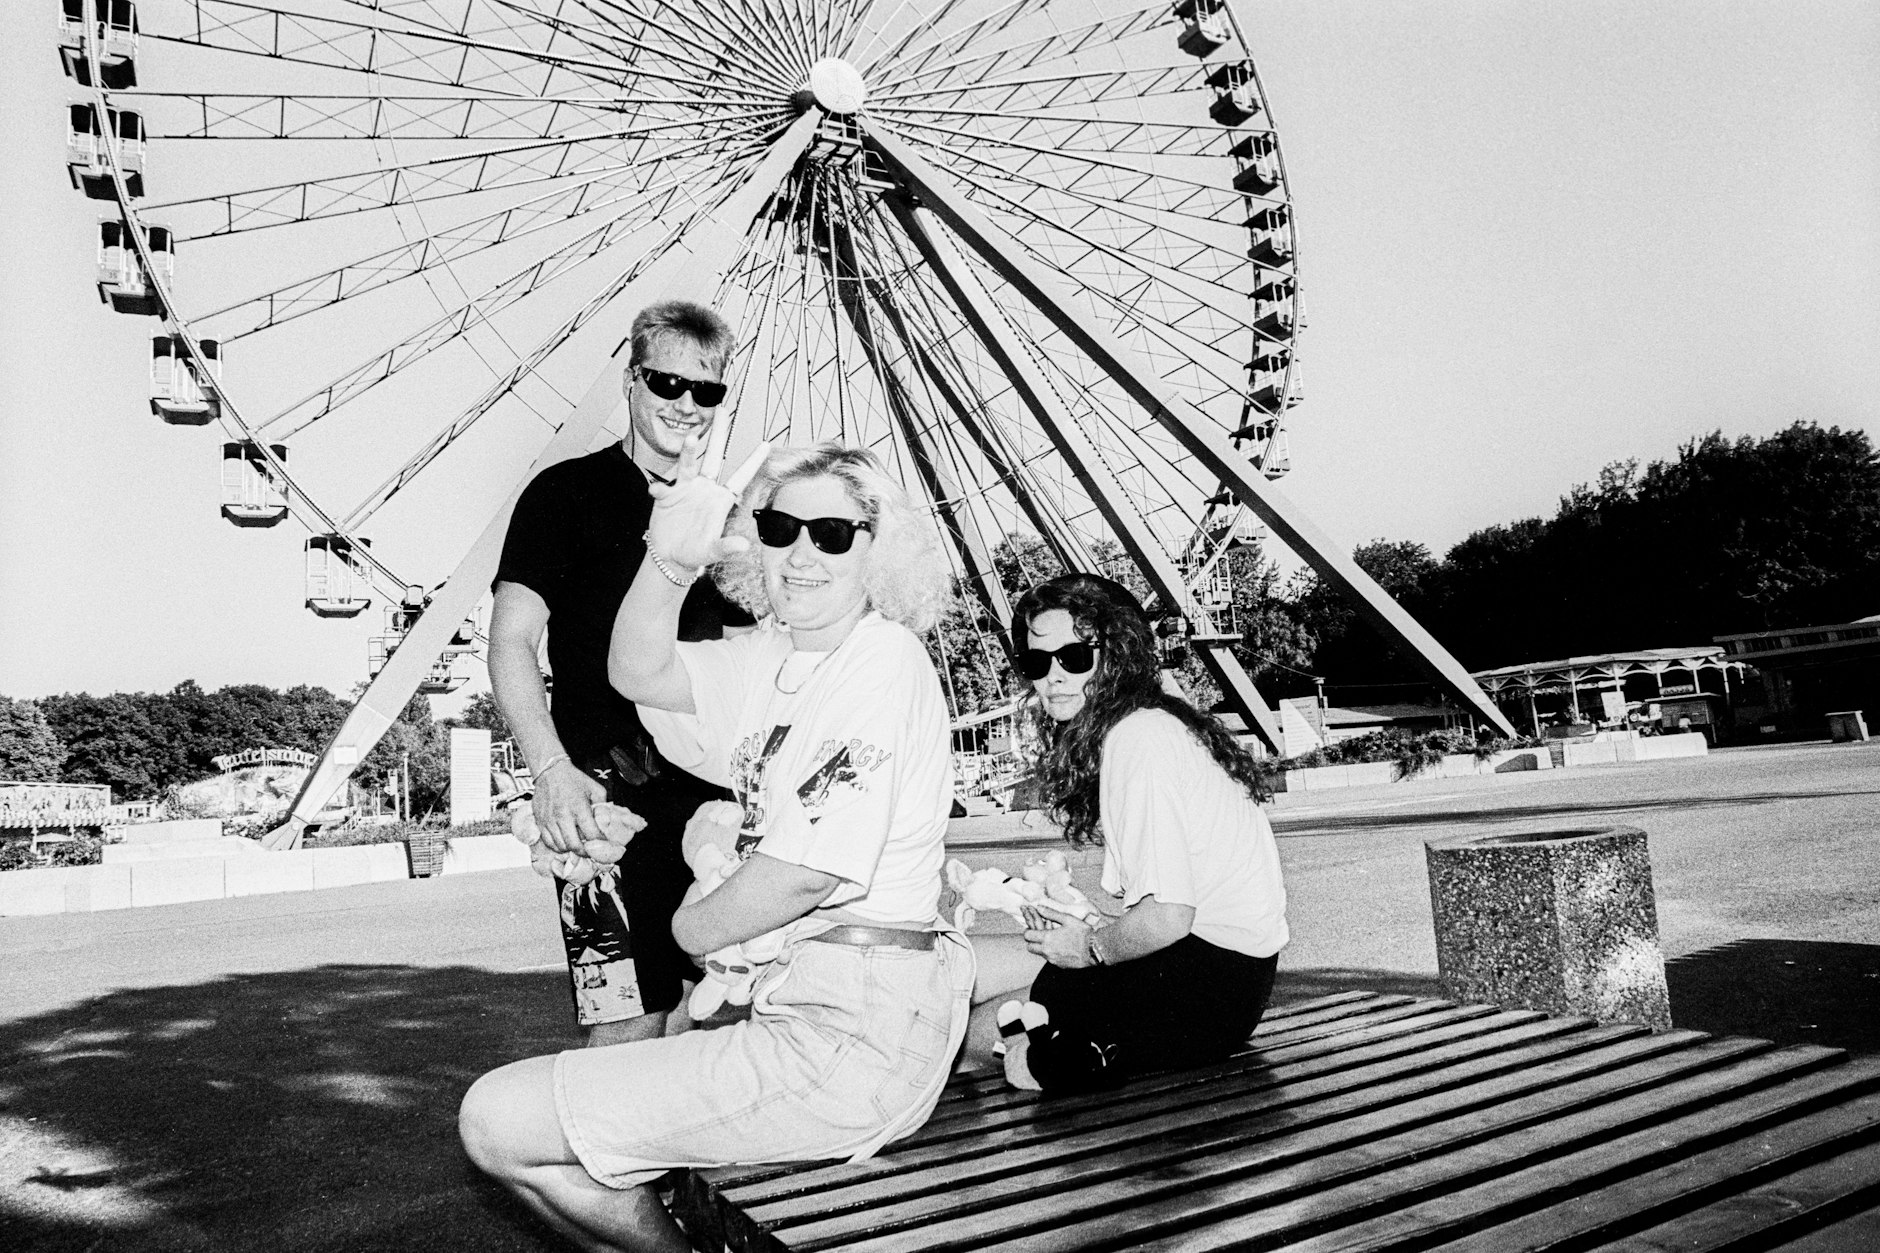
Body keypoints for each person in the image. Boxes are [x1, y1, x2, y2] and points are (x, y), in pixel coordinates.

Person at [459, 439, 972, 1253]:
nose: (800, 553)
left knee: (498, 1118)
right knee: (530, 1125)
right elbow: (637, 669)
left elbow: (802, 875)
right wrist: (667, 562)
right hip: (801, 1007)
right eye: (778, 527)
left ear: (878, 548)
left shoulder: (882, 661)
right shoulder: (777, 657)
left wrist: (689, 927)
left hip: (851, 1033)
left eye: (832, 534)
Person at [489, 300, 754, 1045]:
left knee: (716, 1008)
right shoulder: (562, 493)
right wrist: (549, 769)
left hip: (716, 800)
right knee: (622, 1018)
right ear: (631, 379)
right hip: (601, 802)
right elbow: (511, 642)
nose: (685, 404)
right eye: (668, 383)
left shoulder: (731, 517)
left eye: (707, 391)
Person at [963, 573, 1288, 1094]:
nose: (1053, 676)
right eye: (1036, 661)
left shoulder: (1136, 739)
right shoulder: (1153, 723)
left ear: (1114, 655)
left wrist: (1089, 946)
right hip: (1226, 985)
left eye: (1073, 657)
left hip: (1199, 991)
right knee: (966, 969)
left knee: (958, 1036)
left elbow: (1167, 917)